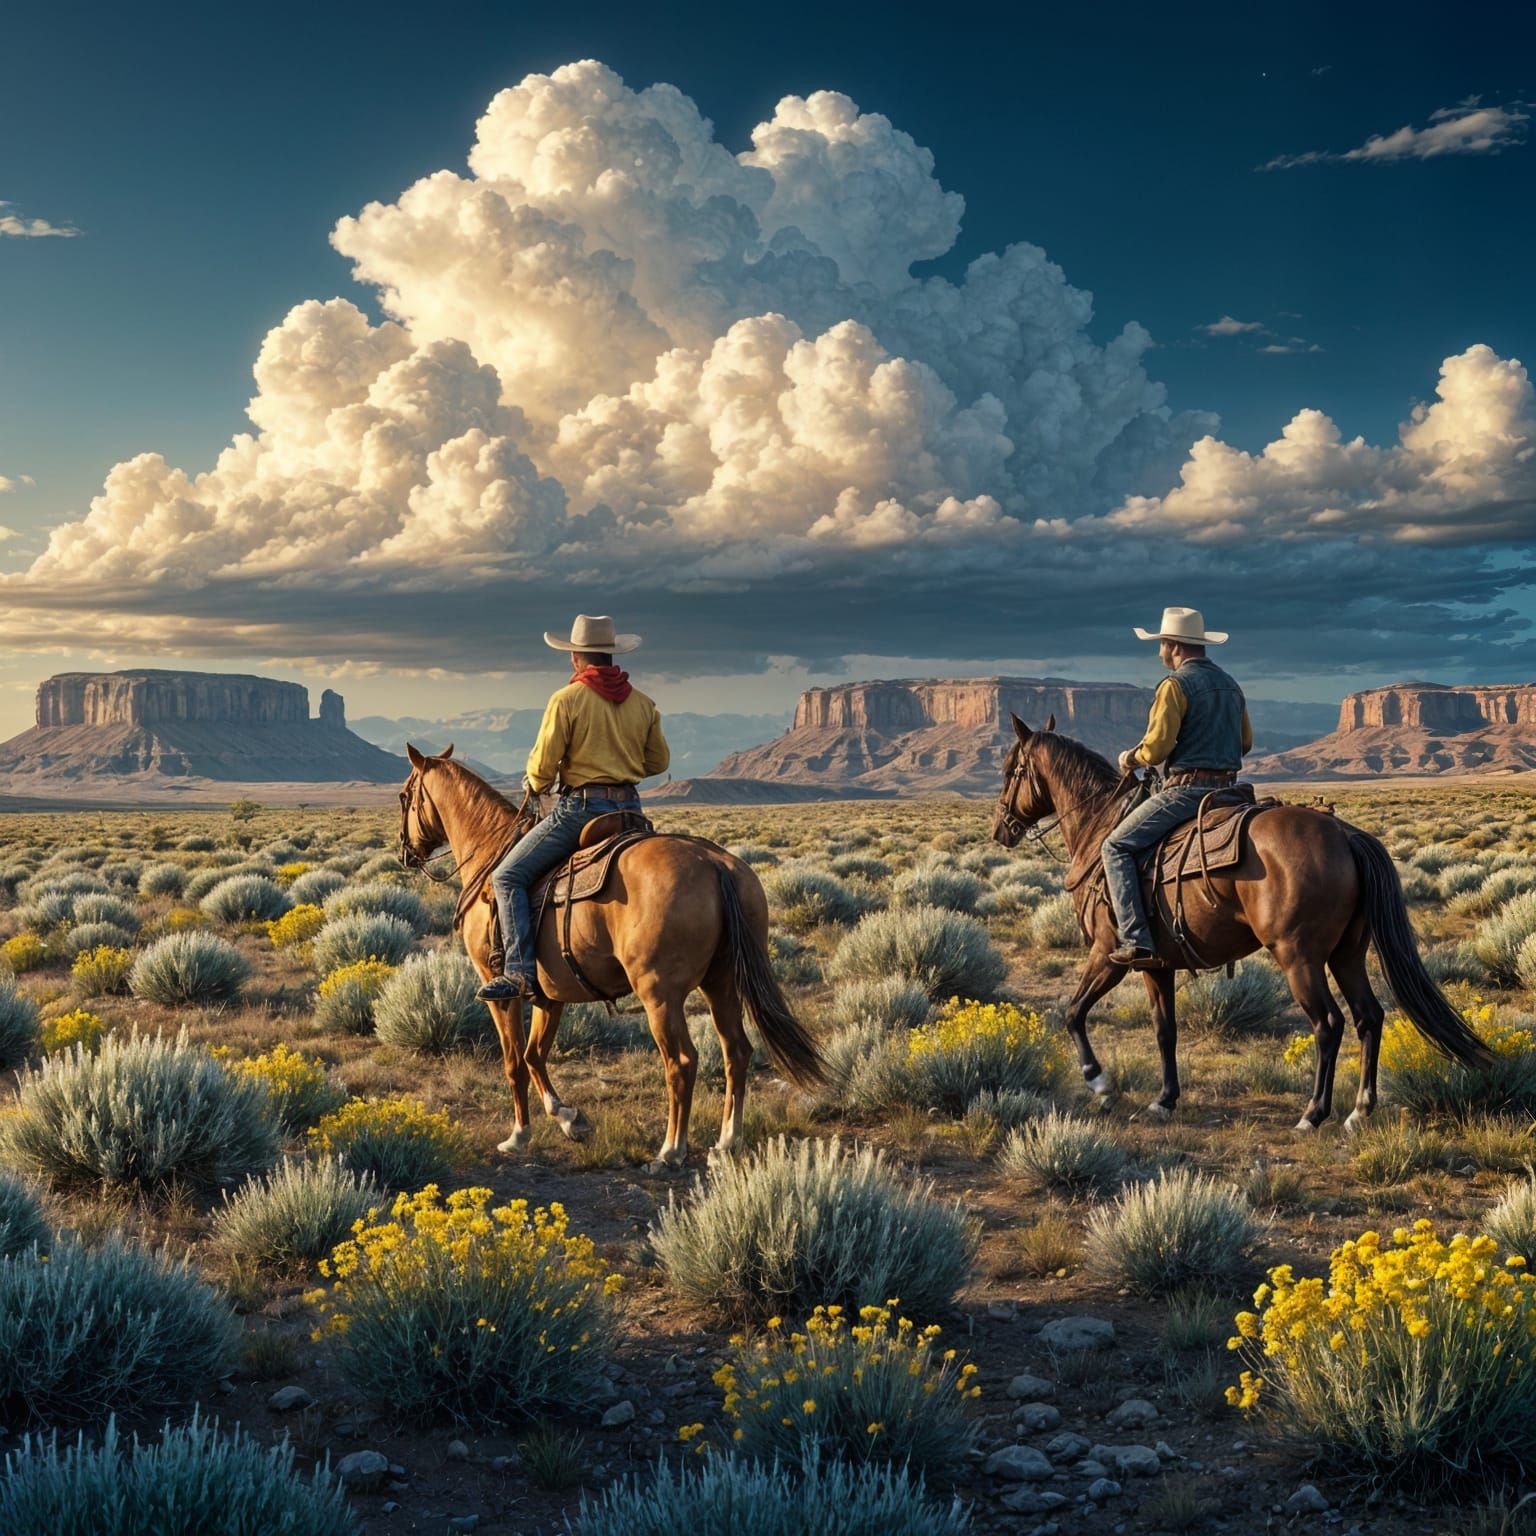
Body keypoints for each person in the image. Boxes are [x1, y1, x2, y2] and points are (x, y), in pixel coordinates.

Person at [477, 614, 670, 1003]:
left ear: (576, 657)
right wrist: (622, 763)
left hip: (582, 810)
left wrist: (536, 784)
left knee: (507, 877)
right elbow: (658, 762)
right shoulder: (643, 704)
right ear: (611, 655)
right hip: (630, 812)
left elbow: (543, 766)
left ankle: (519, 973)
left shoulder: (566, 700)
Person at [1101, 606, 1253, 970]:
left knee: (1115, 847)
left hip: (1188, 792)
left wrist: (1130, 757)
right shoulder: (1231, 685)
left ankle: (1136, 940)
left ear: (1173, 645)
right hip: (1230, 792)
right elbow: (1245, 743)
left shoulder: (1175, 685)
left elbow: (1157, 749)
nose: (1159, 653)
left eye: (1161, 645)